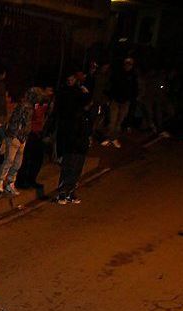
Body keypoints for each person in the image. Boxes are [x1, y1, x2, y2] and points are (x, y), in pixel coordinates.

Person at [55, 72, 93, 204]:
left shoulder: (85, 116)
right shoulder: (72, 114)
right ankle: (62, 192)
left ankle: (70, 191)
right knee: (68, 167)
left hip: (80, 144)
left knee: (77, 169)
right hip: (71, 143)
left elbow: (87, 129)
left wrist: (88, 139)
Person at [0, 88, 38, 195]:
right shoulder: (23, 107)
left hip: (22, 138)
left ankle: (10, 182)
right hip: (16, 137)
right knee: (9, 160)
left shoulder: (30, 108)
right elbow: (15, 121)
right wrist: (14, 135)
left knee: (17, 162)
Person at [102, 56, 138, 148]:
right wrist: (110, 96)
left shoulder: (133, 76)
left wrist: (130, 99)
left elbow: (135, 89)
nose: (128, 66)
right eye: (126, 63)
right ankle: (109, 137)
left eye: (130, 64)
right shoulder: (117, 73)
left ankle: (114, 138)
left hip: (125, 102)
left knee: (119, 122)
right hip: (115, 100)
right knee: (112, 120)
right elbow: (111, 85)